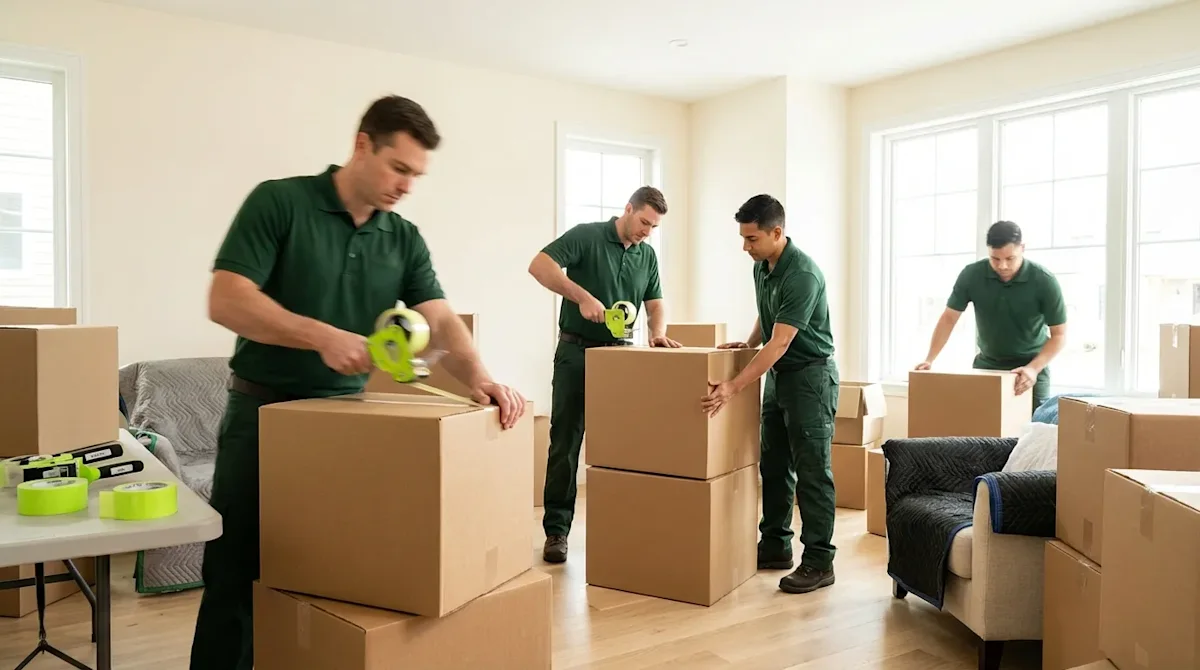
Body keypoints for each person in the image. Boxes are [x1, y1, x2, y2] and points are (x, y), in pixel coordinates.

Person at [189, 95, 527, 670]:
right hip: (262, 420)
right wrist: (321, 335)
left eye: (417, 176)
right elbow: (227, 300)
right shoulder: (280, 202)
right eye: (399, 168)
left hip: (348, 426)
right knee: (236, 574)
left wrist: (483, 378)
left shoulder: (404, 238)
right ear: (362, 144)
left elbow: (441, 322)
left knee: (332, 578)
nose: (407, 186)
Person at [528, 186, 682, 563]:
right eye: (644, 221)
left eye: (654, 226)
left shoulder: (647, 256)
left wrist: (658, 333)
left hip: (621, 359)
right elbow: (540, 266)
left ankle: (620, 527)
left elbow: (655, 302)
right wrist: (580, 296)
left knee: (623, 444)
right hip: (576, 352)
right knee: (566, 440)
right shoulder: (586, 235)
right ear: (628, 209)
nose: (647, 231)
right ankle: (557, 532)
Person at [701, 194, 839, 595]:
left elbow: (780, 342)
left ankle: (819, 561)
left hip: (810, 379)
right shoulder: (764, 266)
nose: (745, 247)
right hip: (780, 378)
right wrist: (744, 345)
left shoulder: (803, 275)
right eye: (743, 238)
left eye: (752, 239)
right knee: (775, 466)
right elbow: (769, 317)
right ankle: (776, 545)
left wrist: (732, 386)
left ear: (777, 232)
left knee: (813, 472)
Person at [915, 220, 1067, 411]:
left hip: (1030, 368)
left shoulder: (1044, 281)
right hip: (987, 366)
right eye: (995, 259)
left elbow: (1059, 336)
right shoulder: (972, 275)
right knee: (982, 432)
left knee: (1032, 434)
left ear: (1022, 248)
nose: (1002, 266)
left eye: (1010, 258)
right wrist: (930, 359)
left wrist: (1033, 368)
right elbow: (949, 318)